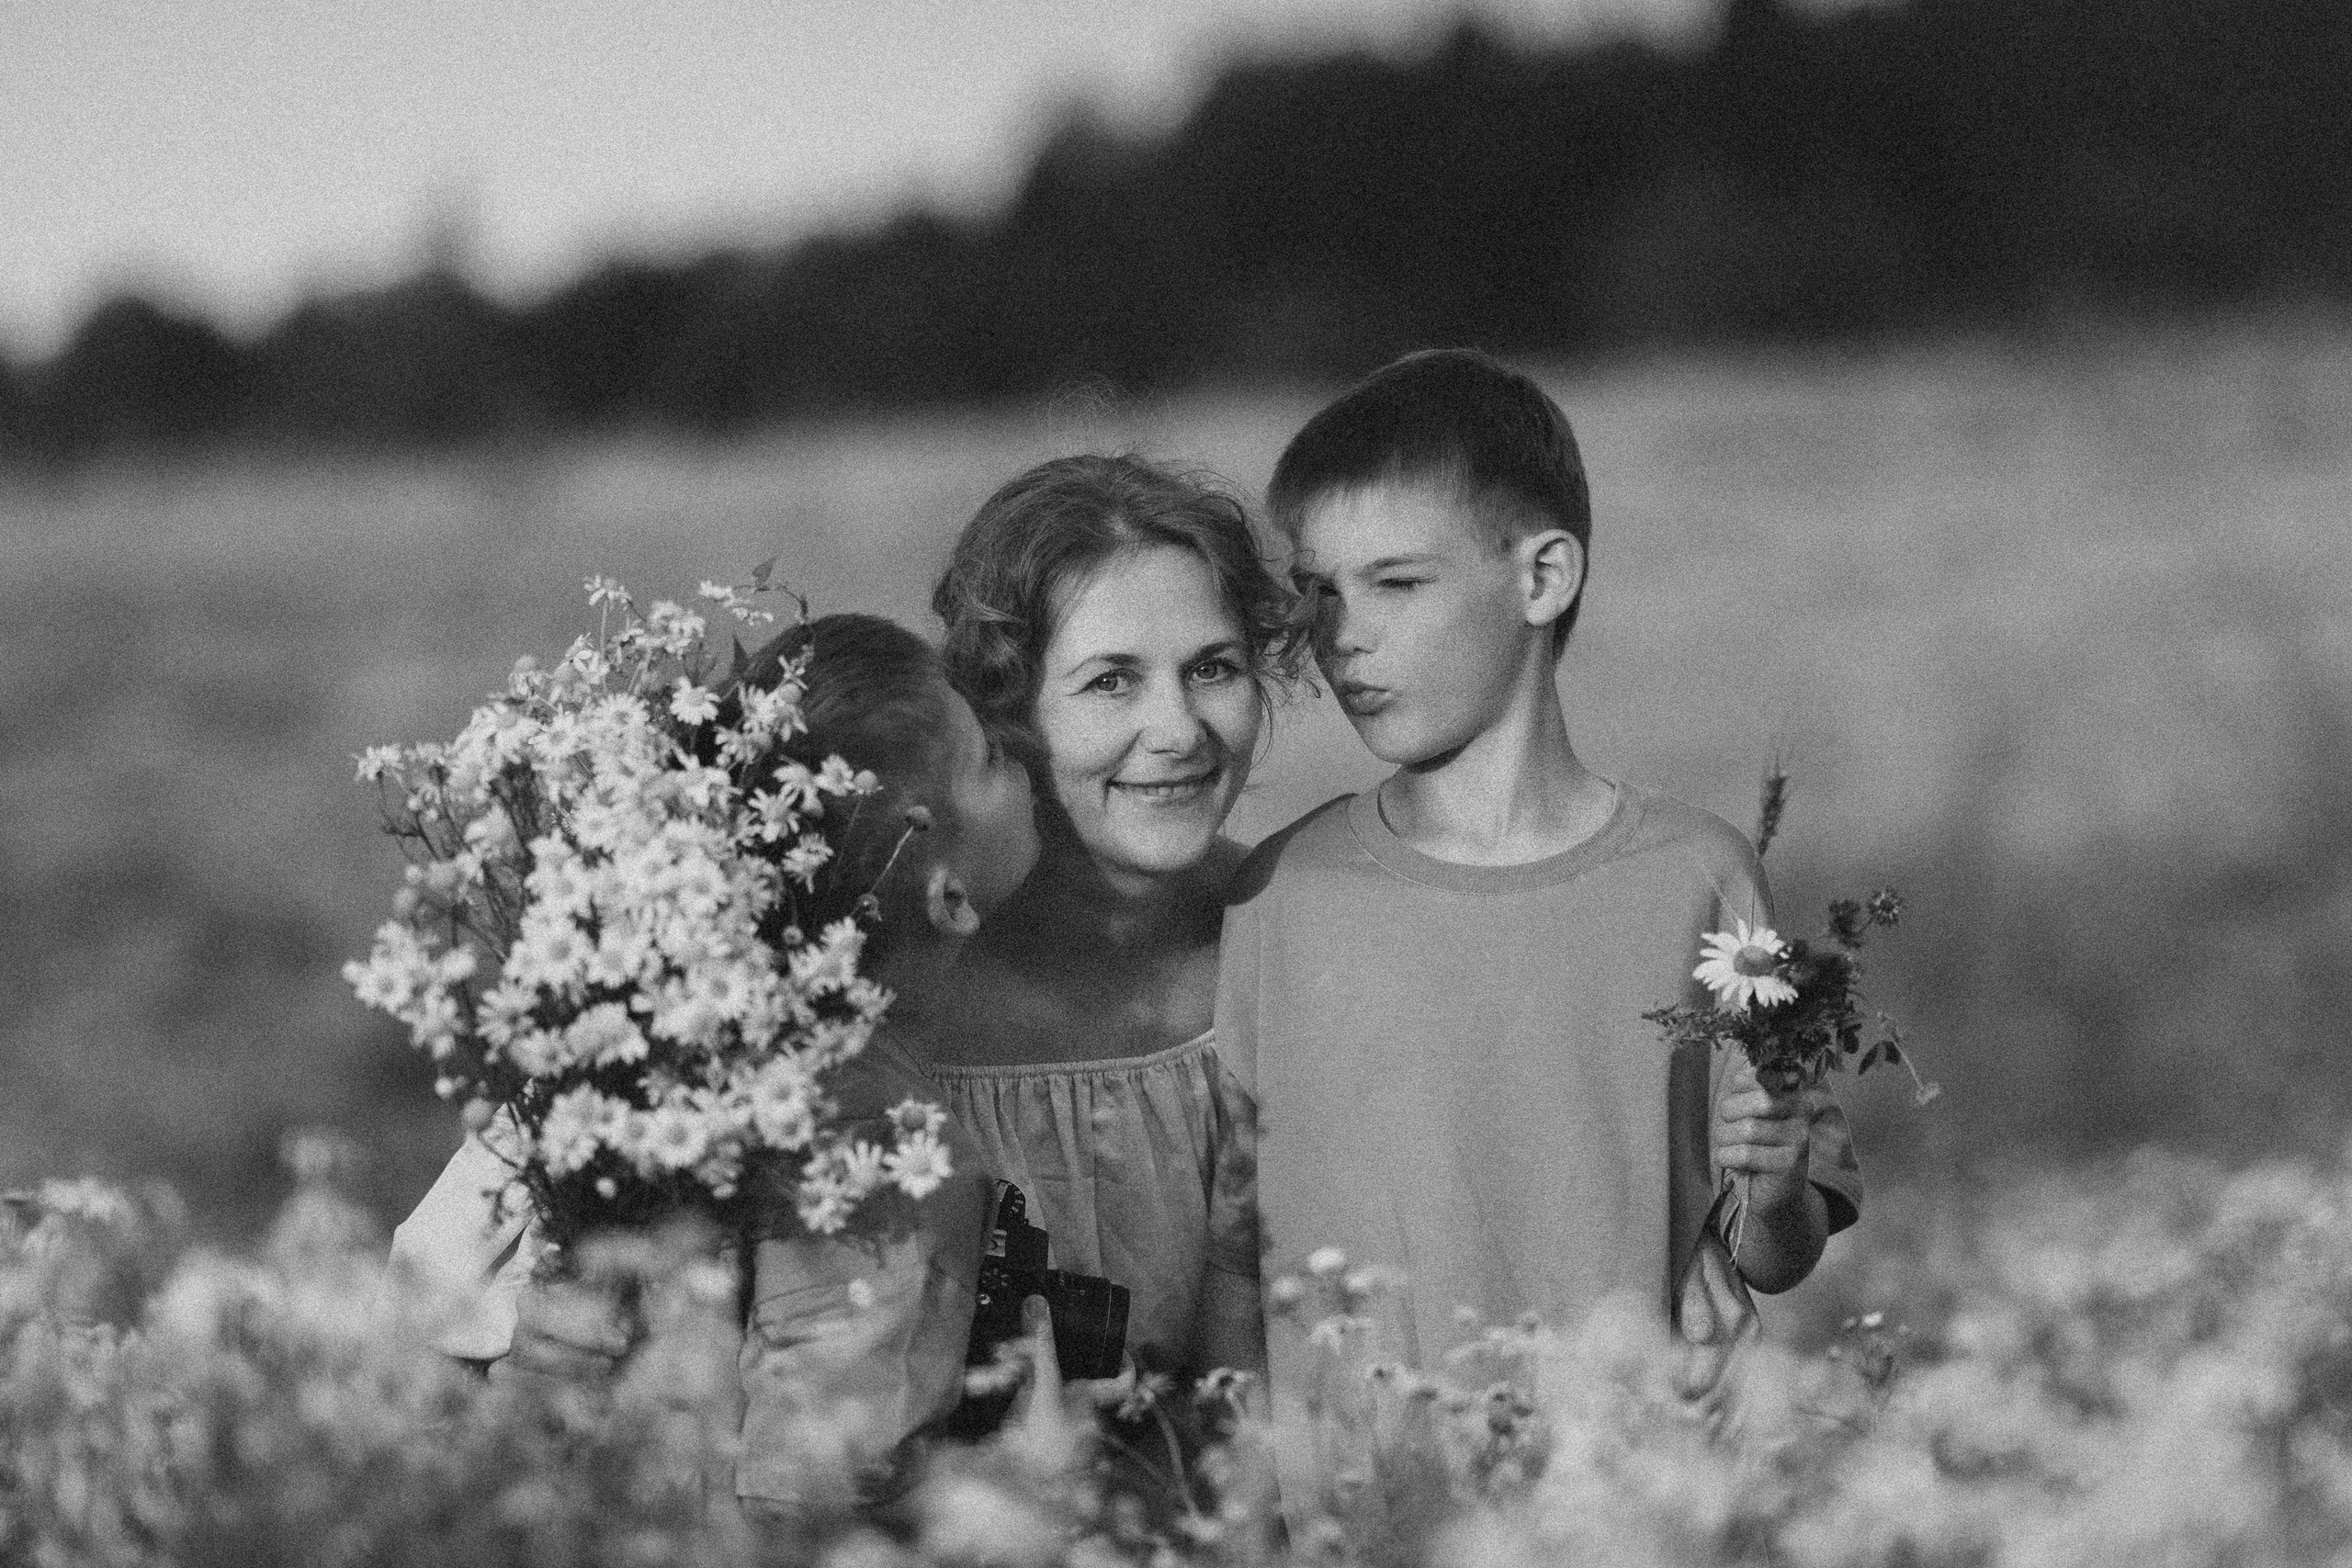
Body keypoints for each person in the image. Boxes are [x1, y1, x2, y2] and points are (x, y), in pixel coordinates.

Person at [1216, 349, 1865, 1513]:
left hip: (1631, 1503)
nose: (1340, 636)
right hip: (1363, 1517)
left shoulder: (1703, 880)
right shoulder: (1279, 897)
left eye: (1395, 585)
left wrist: (1771, 1196)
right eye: (1318, 593)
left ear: (1542, 575)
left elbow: (1774, 1248)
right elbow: (1222, 1251)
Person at [387, 613, 1042, 1518]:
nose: (1020, 752)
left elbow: (430, 1292)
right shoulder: (880, 1158)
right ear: (949, 896)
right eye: (990, 761)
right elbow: (814, 1481)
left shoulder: (647, 1080)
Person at [928, 454, 1304, 1391]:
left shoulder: (1294, 941)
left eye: (1213, 668)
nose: (1178, 730)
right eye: (1111, 682)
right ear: (1004, 708)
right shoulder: (895, 984)